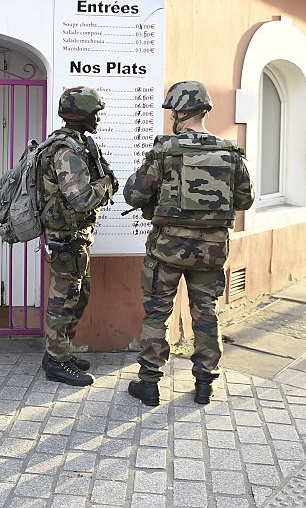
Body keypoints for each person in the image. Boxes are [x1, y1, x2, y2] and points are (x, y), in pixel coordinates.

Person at [123, 80, 254, 406]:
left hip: (167, 249)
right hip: (210, 252)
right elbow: (246, 200)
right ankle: (204, 385)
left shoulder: (166, 151)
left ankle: (150, 385)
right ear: (205, 110)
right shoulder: (229, 152)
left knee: (157, 313)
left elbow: (133, 194)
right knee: (206, 313)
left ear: (179, 113)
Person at [38, 86, 117, 386]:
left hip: (74, 236)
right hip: (66, 237)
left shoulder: (78, 144)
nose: (98, 118)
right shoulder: (68, 151)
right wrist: (107, 184)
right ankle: (57, 363)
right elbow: (81, 199)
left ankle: (60, 352)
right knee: (64, 300)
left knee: (77, 296)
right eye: (94, 113)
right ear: (80, 115)